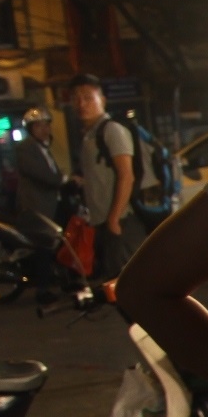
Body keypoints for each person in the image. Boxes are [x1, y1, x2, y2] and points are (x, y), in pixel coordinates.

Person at [67, 74, 138, 281]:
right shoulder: (89, 135)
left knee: (128, 284)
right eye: (76, 98)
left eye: (88, 97)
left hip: (120, 221)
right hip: (103, 222)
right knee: (116, 285)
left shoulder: (112, 130)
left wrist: (114, 219)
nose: (81, 104)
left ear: (102, 100)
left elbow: (127, 176)